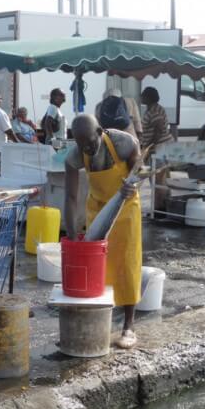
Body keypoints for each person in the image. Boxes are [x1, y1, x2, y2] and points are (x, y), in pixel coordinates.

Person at [64, 114, 142, 349]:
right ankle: (99, 321)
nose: (86, 147)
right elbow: (70, 197)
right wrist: (70, 236)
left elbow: (139, 169)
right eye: (80, 143)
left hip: (126, 205)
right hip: (97, 208)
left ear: (100, 132)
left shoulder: (124, 143)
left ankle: (129, 325)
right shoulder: (75, 156)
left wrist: (134, 183)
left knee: (127, 263)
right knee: (97, 266)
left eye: (89, 141)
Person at [140, 87, 172, 151]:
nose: (141, 98)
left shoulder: (153, 111)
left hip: (160, 147)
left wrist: (149, 146)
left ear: (149, 98)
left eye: (143, 96)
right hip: (161, 145)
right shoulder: (153, 108)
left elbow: (159, 131)